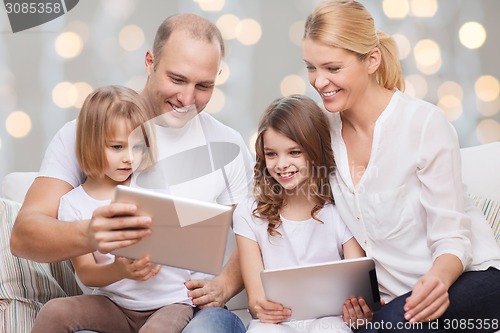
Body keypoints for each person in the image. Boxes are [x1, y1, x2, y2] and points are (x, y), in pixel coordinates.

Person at [11, 14, 253, 333]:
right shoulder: (84, 135)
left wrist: (224, 285)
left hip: (191, 309)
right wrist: (90, 234)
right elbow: (24, 236)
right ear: (150, 62)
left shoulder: (228, 145)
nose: (187, 99)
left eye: (204, 86)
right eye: (177, 79)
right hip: (113, 305)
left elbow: (254, 232)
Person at [301, 0, 500, 332]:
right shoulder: (322, 132)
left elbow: (452, 237)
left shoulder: (424, 124)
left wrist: (436, 279)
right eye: (311, 67)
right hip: (394, 299)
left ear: (372, 60)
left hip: (465, 278)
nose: (319, 82)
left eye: (332, 68)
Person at [233, 95, 368, 333]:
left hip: (331, 320)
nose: (281, 164)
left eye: (294, 152)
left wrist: (359, 312)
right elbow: (255, 300)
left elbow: (358, 288)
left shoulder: (340, 207)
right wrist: (261, 307)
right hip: (275, 324)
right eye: (272, 154)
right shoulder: (249, 212)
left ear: (314, 151)